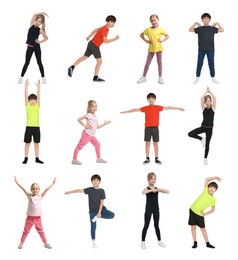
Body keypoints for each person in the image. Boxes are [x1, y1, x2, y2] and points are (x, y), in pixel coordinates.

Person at [120, 93, 184, 165]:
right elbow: (135, 109)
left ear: (155, 99)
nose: (151, 100)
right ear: (147, 100)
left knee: (156, 143)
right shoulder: (145, 108)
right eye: (149, 98)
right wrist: (125, 112)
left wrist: (178, 108)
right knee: (147, 143)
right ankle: (147, 158)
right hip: (147, 128)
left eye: (152, 98)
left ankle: (157, 158)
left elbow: (168, 107)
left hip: (155, 128)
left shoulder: (158, 107)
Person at [65, 174, 114, 249]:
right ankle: (93, 242)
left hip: (101, 209)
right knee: (93, 226)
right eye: (93, 180)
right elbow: (79, 190)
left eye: (97, 180)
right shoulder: (89, 190)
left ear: (99, 181)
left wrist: (99, 213)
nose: (95, 182)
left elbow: (101, 203)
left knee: (112, 215)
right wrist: (70, 192)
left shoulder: (102, 191)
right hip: (92, 211)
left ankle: (97, 216)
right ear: (91, 182)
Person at [68, 15, 119, 82]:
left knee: (84, 57)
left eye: (114, 22)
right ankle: (95, 77)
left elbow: (96, 30)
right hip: (95, 46)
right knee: (99, 61)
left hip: (91, 43)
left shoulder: (103, 27)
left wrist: (89, 37)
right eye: (111, 22)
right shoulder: (105, 30)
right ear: (107, 22)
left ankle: (72, 67)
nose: (113, 24)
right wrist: (115, 39)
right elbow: (106, 41)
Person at [14, 176, 56, 249]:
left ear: (38, 189)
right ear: (31, 190)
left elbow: (46, 189)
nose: (35, 190)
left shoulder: (40, 196)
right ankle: (21, 243)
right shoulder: (29, 196)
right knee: (26, 231)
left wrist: (52, 183)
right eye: (33, 189)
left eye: (36, 189)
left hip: (38, 219)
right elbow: (23, 188)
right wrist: (17, 183)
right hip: (29, 218)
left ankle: (45, 243)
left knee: (41, 231)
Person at [72, 100, 111, 165]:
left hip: (92, 136)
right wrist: (85, 125)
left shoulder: (96, 116)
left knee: (97, 144)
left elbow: (97, 127)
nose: (95, 108)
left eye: (95, 106)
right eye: (92, 107)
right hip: (86, 134)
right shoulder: (88, 115)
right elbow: (79, 119)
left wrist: (104, 124)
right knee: (79, 146)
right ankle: (74, 160)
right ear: (89, 108)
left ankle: (98, 159)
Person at [189, 13, 224, 84]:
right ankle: (197, 78)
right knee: (199, 64)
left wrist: (217, 23)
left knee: (211, 64)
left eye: (207, 18)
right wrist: (195, 23)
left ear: (209, 20)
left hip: (210, 50)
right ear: (202, 20)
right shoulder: (200, 29)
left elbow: (222, 30)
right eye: (204, 18)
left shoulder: (212, 28)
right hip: (201, 50)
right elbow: (190, 30)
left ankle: (213, 78)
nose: (205, 20)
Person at [188, 176, 221, 249]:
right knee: (193, 227)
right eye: (211, 187)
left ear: (215, 190)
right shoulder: (205, 190)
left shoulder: (213, 199)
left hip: (200, 214)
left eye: (214, 188)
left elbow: (213, 209)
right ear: (208, 187)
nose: (212, 189)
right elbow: (207, 179)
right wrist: (215, 177)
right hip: (192, 210)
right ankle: (195, 243)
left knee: (203, 229)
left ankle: (207, 243)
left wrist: (205, 213)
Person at [137, 14, 169, 84]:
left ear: (158, 20)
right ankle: (144, 77)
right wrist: (146, 41)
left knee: (159, 63)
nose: (153, 22)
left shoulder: (161, 29)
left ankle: (160, 77)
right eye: (152, 21)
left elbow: (167, 36)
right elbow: (141, 35)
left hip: (159, 48)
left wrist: (162, 40)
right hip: (151, 48)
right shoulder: (148, 29)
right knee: (147, 63)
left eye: (155, 20)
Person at [18, 12, 49, 85]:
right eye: (37, 20)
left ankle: (43, 77)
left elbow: (46, 38)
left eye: (40, 21)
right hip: (29, 47)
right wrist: (43, 12)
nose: (38, 22)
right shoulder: (31, 25)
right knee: (27, 62)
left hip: (36, 47)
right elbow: (34, 14)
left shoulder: (40, 30)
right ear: (35, 20)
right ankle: (21, 77)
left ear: (41, 23)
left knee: (39, 62)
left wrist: (40, 41)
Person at [141, 172, 169, 249]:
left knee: (156, 225)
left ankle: (159, 241)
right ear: (148, 180)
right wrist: (151, 190)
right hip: (148, 209)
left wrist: (159, 189)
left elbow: (167, 191)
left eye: (154, 179)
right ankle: (143, 242)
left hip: (156, 209)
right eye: (151, 179)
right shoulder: (147, 188)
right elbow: (143, 192)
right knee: (146, 225)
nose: (153, 180)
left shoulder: (157, 189)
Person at [188, 87, 216, 165]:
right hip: (203, 127)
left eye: (209, 101)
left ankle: (205, 158)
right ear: (204, 103)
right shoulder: (203, 109)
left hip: (210, 129)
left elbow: (215, 97)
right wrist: (205, 92)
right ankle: (201, 139)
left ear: (211, 102)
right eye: (206, 101)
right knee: (190, 134)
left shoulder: (213, 108)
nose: (208, 103)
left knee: (207, 144)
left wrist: (210, 91)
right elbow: (201, 98)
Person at [22, 79, 44, 164]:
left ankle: (37, 158)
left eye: (34, 99)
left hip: (36, 127)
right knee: (27, 144)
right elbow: (25, 95)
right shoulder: (27, 106)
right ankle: (26, 158)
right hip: (28, 127)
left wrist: (39, 87)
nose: (33, 101)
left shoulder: (37, 106)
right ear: (29, 100)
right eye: (31, 99)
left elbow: (39, 96)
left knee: (36, 144)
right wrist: (26, 86)